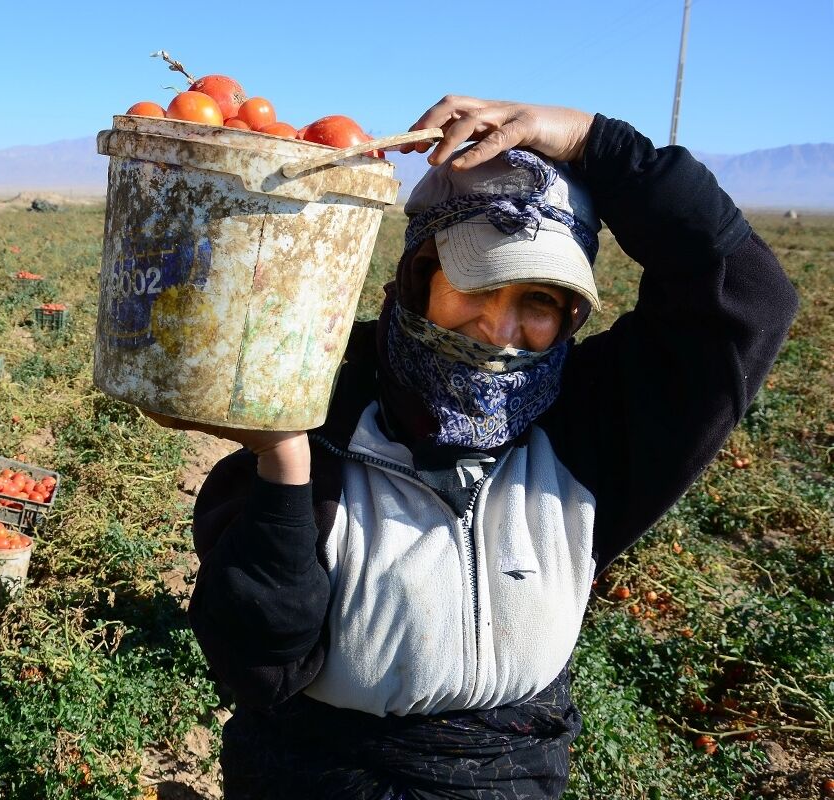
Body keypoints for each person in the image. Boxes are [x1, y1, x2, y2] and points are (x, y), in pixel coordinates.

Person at [154, 97, 799, 798]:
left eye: (539, 301)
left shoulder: (589, 433)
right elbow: (255, 666)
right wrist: (282, 468)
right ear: (414, 278)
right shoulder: (320, 425)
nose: (499, 327)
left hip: (511, 777)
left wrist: (596, 142)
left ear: (570, 315)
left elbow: (747, 297)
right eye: (473, 281)